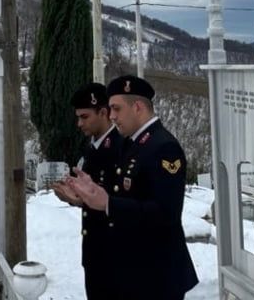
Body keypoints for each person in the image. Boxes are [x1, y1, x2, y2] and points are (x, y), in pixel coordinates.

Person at [59, 74, 198, 300]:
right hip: (133, 271)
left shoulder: (163, 147)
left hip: (156, 276)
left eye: (116, 109)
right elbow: (123, 193)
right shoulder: (132, 143)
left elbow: (166, 213)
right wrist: (90, 194)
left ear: (138, 107)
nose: (111, 116)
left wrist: (108, 204)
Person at [52, 82, 123, 300]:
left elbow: (120, 201)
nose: (79, 123)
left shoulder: (121, 148)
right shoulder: (93, 147)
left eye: (84, 117)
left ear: (103, 113)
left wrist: (84, 199)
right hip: (95, 251)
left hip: (115, 254)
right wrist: (76, 199)